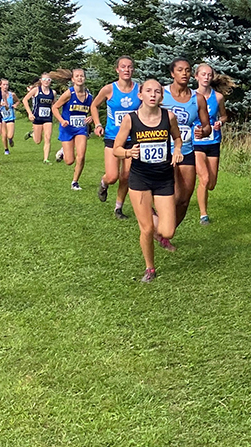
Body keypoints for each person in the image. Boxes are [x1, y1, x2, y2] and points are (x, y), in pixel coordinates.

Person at [113, 79, 183, 282]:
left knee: (167, 231)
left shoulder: (168, 116)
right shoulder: (130, 119)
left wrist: (177, 150)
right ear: (140, 95)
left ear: (162, 96)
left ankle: (151, 217)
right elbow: (117, 148)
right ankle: (150, 268)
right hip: (140, 178)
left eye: (158, 91)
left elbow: (177, 138)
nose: (153, 94)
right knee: (146, 229)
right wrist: (128, 152)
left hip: (163, 178)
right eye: (149, 91)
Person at [158, 57, 211, 250]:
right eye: (180, 70)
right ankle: (157, 221)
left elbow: (207, 127)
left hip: (186, 150)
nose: (184, 73)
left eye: (188, 70)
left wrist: (202, 131)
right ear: (172, 73)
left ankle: (166, 232)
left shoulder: (197, 99)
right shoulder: (161, 94)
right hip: (163, 151)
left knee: (184, 198)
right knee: (170, 194)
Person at [90, 55, 141, 219]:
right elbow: (94, 105)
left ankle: (118, 208)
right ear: (117, 69)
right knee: (113, 176)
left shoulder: (139, 89)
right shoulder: (109, 89)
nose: (127, 70)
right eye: (123, 67)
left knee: (126, 176)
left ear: (133, 69)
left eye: (130, 67)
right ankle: (104, 183)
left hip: (131, 138)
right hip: (113, 137)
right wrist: (98, 124)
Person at [193, 63, 232, 225]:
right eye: (203, 74)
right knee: (204, 178)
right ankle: (204, 215)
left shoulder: (218, 97)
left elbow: (224, 116)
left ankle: (200, 192)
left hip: (213, 141)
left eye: (209, 75)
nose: (206, 77)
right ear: (196, 77)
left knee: (211, 183)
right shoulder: (190, 96)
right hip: (196, 142)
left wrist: (220, 123)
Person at [51, 68, 93, 190]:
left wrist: (91, 117)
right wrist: (61, 120)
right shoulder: (69, 93)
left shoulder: (89, 96)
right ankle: (63, 151)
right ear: (73, 79)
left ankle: (75, 182)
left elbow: (92, 110)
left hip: (81, 129)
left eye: (82, 76)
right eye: (77, 76)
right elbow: (55, 107)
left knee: (81, 155)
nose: (80, 78)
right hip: (67, 128)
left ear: (85, 78)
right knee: (69, 161)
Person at [22, 72, 57, 164]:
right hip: (37, 117)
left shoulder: (53, 92)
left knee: (48, 137)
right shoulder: (36, 90)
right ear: (41, 81)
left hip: (48, 118)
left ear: (50, 81)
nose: (46, 81)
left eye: (48, 80)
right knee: (38, 141)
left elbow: (54, 105)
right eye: (44, 79)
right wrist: (30, 113)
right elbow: (25, 100)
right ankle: (32, 134)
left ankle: (46, 159)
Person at [0, 79, 18, 155]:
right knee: (4, 135)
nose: (5, 86)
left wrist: (15, 105)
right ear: (0, 85)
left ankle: (10, 139)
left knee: (10, 135)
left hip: (10, 117)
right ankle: (6, 149)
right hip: (1, 117)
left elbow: (18, 101)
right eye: (4, 84)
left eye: (7, 85)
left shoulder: (12, 94)